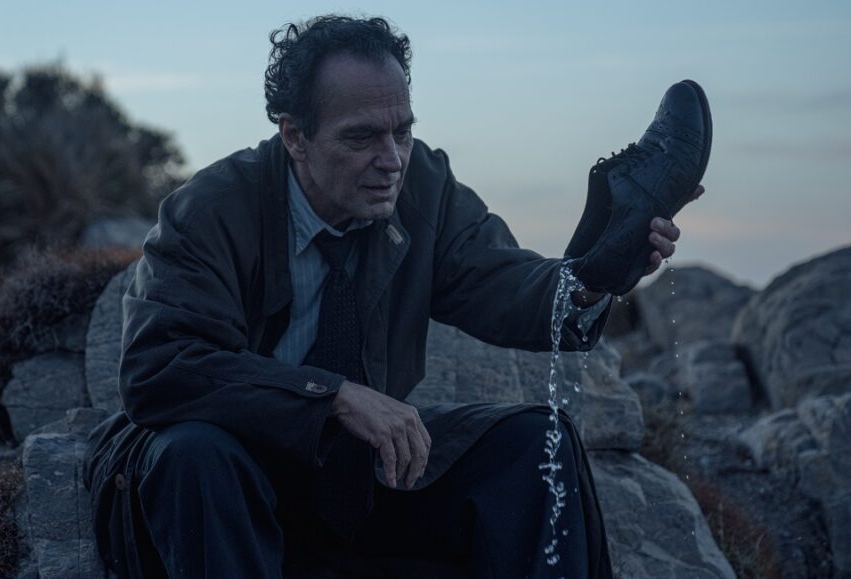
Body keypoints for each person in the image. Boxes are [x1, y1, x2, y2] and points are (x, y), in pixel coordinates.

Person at [83, 14, 710, 579]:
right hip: (224, 480)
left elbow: (503, 284)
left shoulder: (423, 185)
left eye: (402, 132)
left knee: (531, 443)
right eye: (361, 138)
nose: (392, 160)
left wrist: (595, 274)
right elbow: (158, 370)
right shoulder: (212, 209)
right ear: (295, 136)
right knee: (197, 454)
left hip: (350, 477)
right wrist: (330, 399)